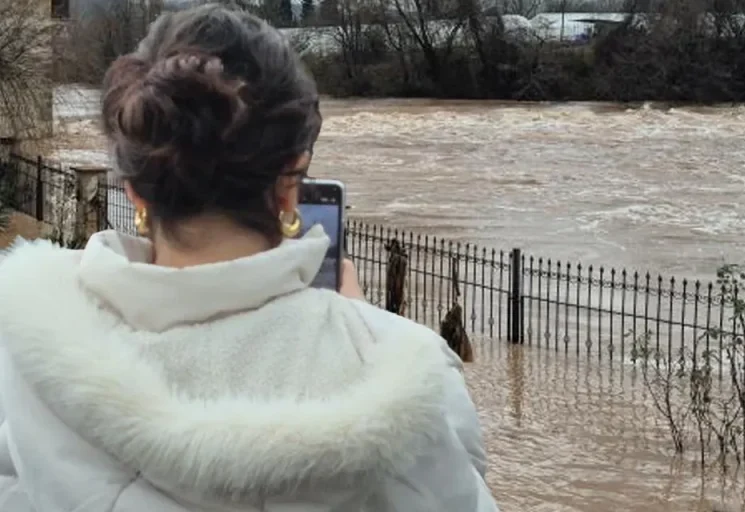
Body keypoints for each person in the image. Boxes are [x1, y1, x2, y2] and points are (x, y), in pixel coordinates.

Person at [0, 4, 497, 511]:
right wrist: (363, 331)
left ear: (134, 194)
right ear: (290, 185)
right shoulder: (408, 382)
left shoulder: (23, 357)